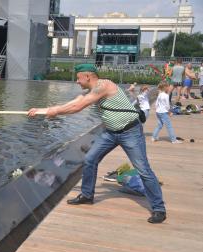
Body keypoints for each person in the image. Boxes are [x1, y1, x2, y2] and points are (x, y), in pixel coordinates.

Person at [28, 64, 166, 224]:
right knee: (90, 160)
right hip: (110, 133)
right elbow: (75, 101)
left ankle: (159, 208)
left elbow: (77, 107)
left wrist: (55, 111)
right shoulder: (92, 91)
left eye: (78, 78)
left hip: (130, 132)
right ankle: (87, 195)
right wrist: (42, 110)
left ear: (88, 76)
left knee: (143, 169)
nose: (77, 82)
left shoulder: (103, 85)